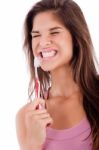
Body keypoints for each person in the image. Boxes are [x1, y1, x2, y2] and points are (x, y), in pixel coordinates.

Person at [16, 0, 99, 150]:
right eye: (36, 35)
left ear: (75, 38)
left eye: (54, 32)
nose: (43, 42)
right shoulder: (26, 117)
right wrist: (32, 144)